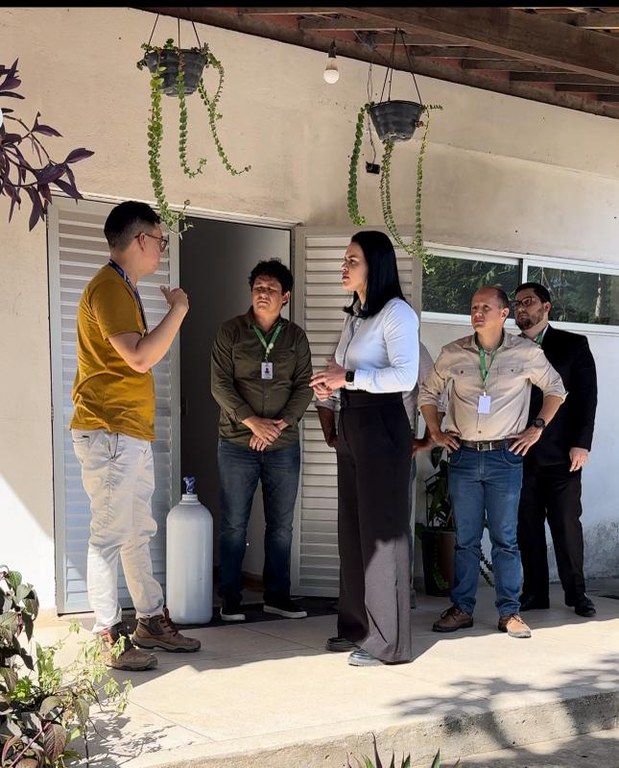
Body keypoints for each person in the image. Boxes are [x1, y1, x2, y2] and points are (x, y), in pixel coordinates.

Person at [71, 200, 201, 672]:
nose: (163, 249)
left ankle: (148, 619)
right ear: (140, 239)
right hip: (108, 431)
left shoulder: (123, 288)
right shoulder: (108, 287)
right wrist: (181, 310)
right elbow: (141, 357)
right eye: (161, 240)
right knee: (108, 535)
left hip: (128, 432)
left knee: (137, 531)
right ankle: (106, 635)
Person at [419, 285, 566, 639]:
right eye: (473, 307)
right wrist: (436, 432)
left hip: (505, 457)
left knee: (505, 540)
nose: (477, 312)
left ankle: (510, 612)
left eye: (486, 307)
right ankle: (462, 608)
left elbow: (556, 390)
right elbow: (428, 392)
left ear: (504, 314)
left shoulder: (527, 353)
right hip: (465, 456)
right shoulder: (452, 353)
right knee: (466, 540)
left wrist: (537, 428)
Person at [310, 231, 419, 667]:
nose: (343, 265)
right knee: (352, 530)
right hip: (353, 421)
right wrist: (331, 383)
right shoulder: (357, 315)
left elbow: (405, 377)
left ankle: (388, 643)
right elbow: (347, 370)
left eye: (352, 259)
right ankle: (356, 628)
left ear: (375, 265)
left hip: (381, 424)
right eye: (344, 258)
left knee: (383, 534)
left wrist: (349, 380)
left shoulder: (397, 313)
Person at [211, 259, 313, 622]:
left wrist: (278, 426)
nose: (262, 293)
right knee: (234, 524)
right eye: (257, 286)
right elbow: (219, 385)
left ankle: (277, 597)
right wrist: (254, 423)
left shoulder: (295, 337)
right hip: (237, 442)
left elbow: (304, 387)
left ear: (284, 296)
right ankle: (231, 599)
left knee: (281, 526)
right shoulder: (231, 332)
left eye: (270, 288)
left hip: (283, 446)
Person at [513, 282, 598, 618]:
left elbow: (586, 398)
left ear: (546, 307)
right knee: (527, 526)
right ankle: (533, 592)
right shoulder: (508, 347)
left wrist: (582, 444)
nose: (521, 309)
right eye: (517, 303)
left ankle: (577, 593)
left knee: (565, 525)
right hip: (519, 453)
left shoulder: (573, 345)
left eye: (528, 302)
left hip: (562, 453)